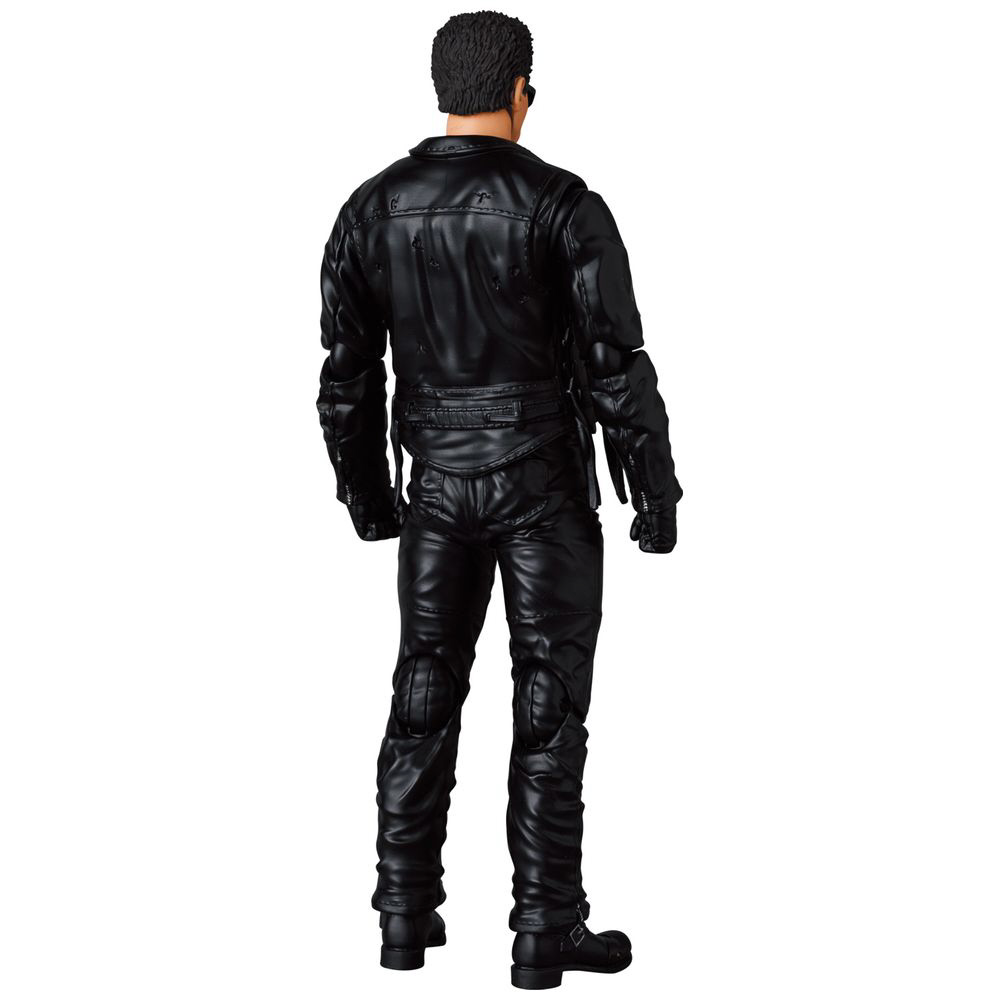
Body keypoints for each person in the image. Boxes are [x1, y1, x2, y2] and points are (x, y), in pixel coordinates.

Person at [316, 11, 682, 989]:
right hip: (543, 488)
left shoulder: (369, 210)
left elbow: (346, 375)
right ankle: (543, 931)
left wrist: (369, 499)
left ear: (444, 91)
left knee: (422, 688)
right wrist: (653, 492)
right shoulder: (563, 204)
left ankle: (402, 916)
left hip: (435, 487)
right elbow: (615, 364)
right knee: (548, 704)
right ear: (522, 90)